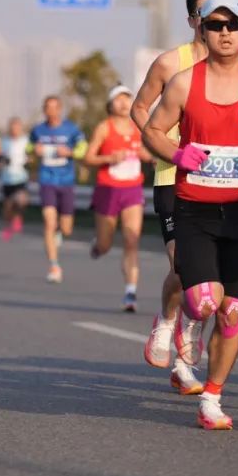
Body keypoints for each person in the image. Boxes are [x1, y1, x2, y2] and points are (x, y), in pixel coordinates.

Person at [142, 0, 238, 430]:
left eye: (232, 25)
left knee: (232, 312)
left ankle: (212, 397)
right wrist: (176, 154)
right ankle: (183, 322)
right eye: (215, 25)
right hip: (194, 212)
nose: (224, 33)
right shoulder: (183, 83)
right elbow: (152, 130)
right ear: (202, 30)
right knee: (204, 300)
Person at [132, 0, 223, 393]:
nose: (217, 23)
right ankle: (168, 322)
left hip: (222, 181)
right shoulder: (171, 63)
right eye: (207, 14)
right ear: (193, 20)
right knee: (185, 267)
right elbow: (139, 108)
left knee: (213, 277)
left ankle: (186, 357)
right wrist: (162, 145)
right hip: (175, 176)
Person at [87, 84, 151, 312]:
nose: (124, 103)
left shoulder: (138, 127)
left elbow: (150, 152)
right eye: (119, 99)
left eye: (127, 98)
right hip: (108, 189)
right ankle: (98, 246)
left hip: (133, 189)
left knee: (131, 239)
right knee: (105, 244)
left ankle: (130, 293)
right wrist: (109, 158)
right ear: (110, 104)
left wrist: (147, 155)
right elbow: (88, 158)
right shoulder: (104, 128)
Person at [29, 96, 87, 283]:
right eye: (47, 107)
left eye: (54, 107)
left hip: (66, 181)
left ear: (60, 109)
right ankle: (54, 266)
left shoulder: (71, 129)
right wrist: (34, 150)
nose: (51, 111)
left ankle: (60, 233)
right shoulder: (38, 130)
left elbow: (83, 149)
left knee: (66, 228)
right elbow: (29, 147)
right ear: (44, 110)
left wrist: (69, 152)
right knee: (49, 222)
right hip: (47, 180)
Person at [0, 117, 30, 242]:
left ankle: (18, 217)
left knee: (21, 200)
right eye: (13, 127)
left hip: (21, 176)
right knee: (8, 206)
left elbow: (32, 156)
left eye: (17, 127)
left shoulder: (26, 141)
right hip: (7, 178)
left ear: (21, 128)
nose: (15, 129)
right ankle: (8, 226)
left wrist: (29, 161)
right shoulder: (4, 141)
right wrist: (2, 161)